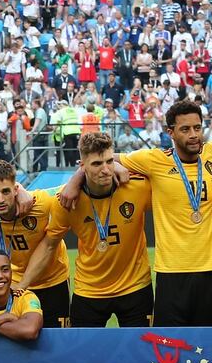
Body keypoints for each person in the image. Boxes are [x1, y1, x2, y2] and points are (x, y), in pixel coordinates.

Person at [64, 101, 212, 326]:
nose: (193, 135)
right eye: (185, 129)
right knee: (167, 345)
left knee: (209, 342)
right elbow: (104, 157)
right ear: (170, 132)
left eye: (197, 128)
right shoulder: (154, 159)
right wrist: (76, 179)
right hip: (170, 272)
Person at [20, 132, 153, 327]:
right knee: (82, 355)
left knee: (140, 354)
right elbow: (49, 244)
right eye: (96, 164)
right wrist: (21, 287)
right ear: (82, 166)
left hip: (135, 287)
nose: (106, 170)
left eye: (109, 161)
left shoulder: (137, 187)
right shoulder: (66, 200)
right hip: (89, 290)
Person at [0, 160, 71, 328]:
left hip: (53, 281)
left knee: (59, 340)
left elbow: (73, 186)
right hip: (16, 282)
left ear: (16, 190)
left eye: (6, 191)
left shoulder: (42, 202)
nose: (1, 199)